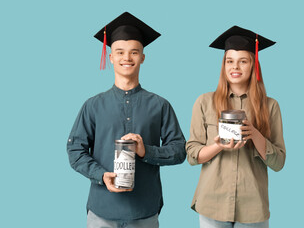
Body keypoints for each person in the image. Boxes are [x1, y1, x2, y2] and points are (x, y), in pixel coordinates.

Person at [67, 12, 186, 228]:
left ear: (142, 57)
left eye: (134, 52)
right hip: (102, 211)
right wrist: (102, 176)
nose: (127, 58)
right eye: (120, 52)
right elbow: (75, 152)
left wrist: (145, 151)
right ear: (111, 57)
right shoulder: (92, 106)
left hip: (144, 212)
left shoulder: (160, 105)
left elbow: (179, 151)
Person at [186, 26, 286, 228]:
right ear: (223, 65)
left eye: (243, 61)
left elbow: (279, 163)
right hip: (212, 202)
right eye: (229, 61)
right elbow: (192, 155)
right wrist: (219, 146)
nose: (235, 67)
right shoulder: (204, 102)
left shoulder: (270, 106)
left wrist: (255, 134)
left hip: (253, 207)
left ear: (253, 65)